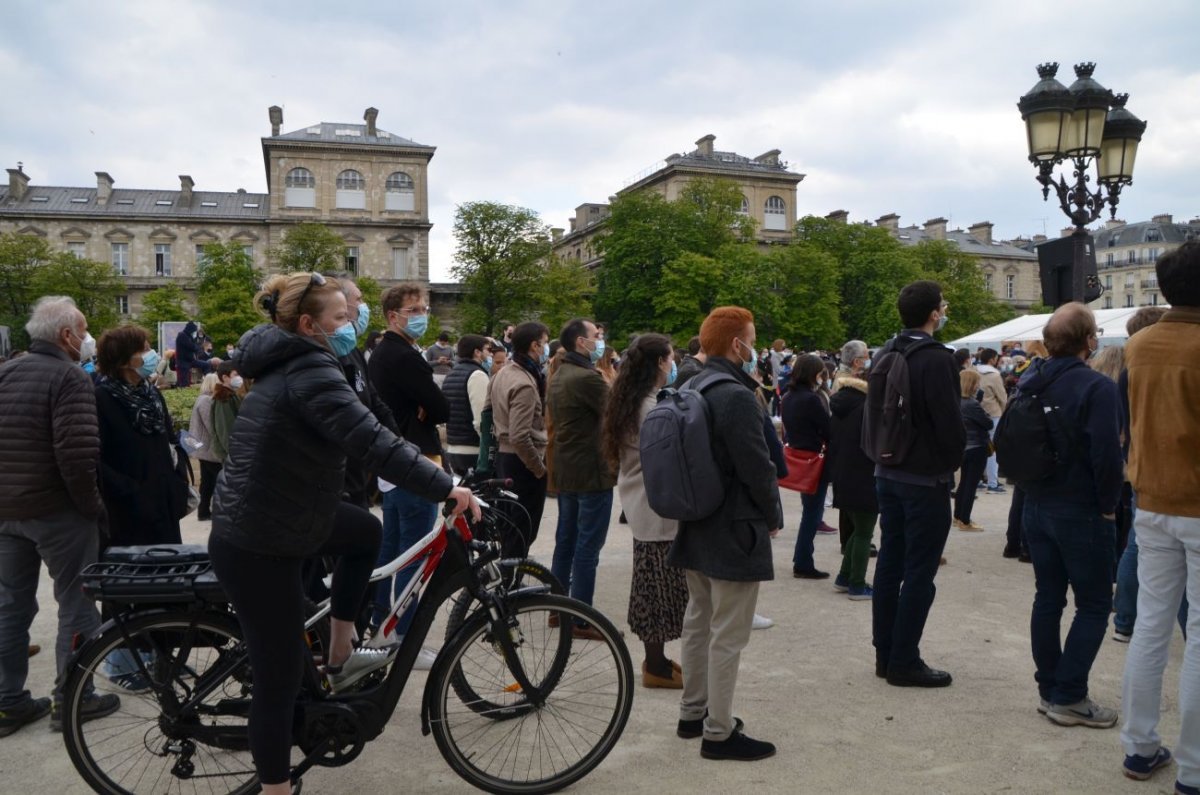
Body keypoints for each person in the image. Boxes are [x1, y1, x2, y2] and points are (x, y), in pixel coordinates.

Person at [207, 272, 478, 795]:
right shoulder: (309, 369)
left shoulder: (302, 359)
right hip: (260, 539)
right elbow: (369, 440)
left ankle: (338, 651)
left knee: (364, 534)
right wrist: (444, 486)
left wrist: (433, 475)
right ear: (309, 325)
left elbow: (374, 427)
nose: (353, 324)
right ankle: (276, 788)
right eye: (342, 317)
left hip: (287, 513)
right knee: (279, 677)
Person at [0, 296, 118, 738]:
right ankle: (73, 698)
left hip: (7, 512)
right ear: (67, 335)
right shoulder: (69, 377)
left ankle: (7, 703)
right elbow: (78, 454)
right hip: (56, 511)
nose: (87, 338)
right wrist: (93, 510)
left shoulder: (5, 371)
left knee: (10, 606)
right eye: (84, 329)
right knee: (76, 602)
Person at [669, 306, 781, 761]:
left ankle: (692, 713)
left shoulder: (688, 383)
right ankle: (719, 731)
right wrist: (772, 513)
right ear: (738, 345)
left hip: (695, 520)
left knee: (698, 622)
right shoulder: (734, 394)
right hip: (734, 525)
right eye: (752, 339)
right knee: (728, 633)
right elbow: (757, 465)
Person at [1018, 302, 1123, 728]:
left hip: (1036, 501)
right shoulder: (1096, 387)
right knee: (1096, 603)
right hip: (1079, 506)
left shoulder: (1030, 380)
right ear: (1089, 339)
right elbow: (1107, 455)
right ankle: (1069, 694)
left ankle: (1050, 688)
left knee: (1048, 596)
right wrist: (1108, 506)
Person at [1119, 240, 1200, 792]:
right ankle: (1193, 769)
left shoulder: (1140, 344)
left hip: (1150, 498)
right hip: (1195, 501)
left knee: (1151, 627)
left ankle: (1140, 746)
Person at [869, 280, 964, 688]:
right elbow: (949, 422)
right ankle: (905, 659)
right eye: (941, 306)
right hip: (924, 476)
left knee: (891, 563)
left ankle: (885, 653)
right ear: (933, 314)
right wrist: (953, 463)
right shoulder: (936, 358)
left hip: (886, 469)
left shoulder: (885, 351)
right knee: (920, 572)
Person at [600, 333, 688, 688]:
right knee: (658, 592)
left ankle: (658, 659)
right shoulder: (649, 408)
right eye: (669, 358)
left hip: (646, 506)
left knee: (653, 587)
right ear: (657, 363)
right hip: (657, 509)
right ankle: (655, 663)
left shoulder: (635, 400)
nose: (672, 364)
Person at [367, 284, 449, 658]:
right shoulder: (404, 356)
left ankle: (382, 624)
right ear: (392, 316)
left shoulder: (383, 353)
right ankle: (404, 635)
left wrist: (427, 406)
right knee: (415, 553)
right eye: (413, 309)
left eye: (424, 308)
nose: (421, 315)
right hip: (414, 460)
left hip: (394, 463)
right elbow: (441, 408)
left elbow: (430, 405)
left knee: (393, 551)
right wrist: (427, 407)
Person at [547, 318, 615, 639]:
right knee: (588, 547)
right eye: (595, 337)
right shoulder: (588, 378)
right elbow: (617, 411)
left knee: (566, 542)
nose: (599, 340)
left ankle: (557, 609)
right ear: (580, 343)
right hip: (591, 471)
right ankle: (580, 618)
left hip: (568, 468)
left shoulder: (561, 373)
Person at [95, 326, 184, 547]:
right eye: (144, 350)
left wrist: (177, 478)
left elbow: (169, 440)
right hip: (128, 511)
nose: (152, 354)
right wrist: (132, 491)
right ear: (125, 360)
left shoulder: (151, 394)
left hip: (164, 502)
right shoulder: (101, 398)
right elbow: (95, 460)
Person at [327, 273, 396, 510]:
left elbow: (374, 404)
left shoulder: (353, 352)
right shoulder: (322, 359)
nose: (363, 306)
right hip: (334, 486)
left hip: (357, 477)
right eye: (358, 299)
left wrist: (401, 444)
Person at [488, 321, 550, 557]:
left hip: (506, 459)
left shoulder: (503, 372)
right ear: (534, 345)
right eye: (544, 343)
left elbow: (488, 415)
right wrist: (539, 469)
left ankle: (508, 581)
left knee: (511, 528)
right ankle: (511, 586)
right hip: (522, 462)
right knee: (523, 529)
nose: (545, 349)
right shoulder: (524, 382)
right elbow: (520, 435)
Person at [828, 340, 877, 600]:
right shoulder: (865, 405)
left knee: (857, 530)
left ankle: (844, 577)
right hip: (863, 473)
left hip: (844, 472)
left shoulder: (842, 400)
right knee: (864, 532)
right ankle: (857, 583)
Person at [782, 354, 832, 580]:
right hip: (814, 458)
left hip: (799, 456)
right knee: (813, 513)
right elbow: (827, 429)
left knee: (809, 511)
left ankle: (802, 559)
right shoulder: (811, 399)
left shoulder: (788, 396)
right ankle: (803, 560)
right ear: (814, 374)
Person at [442, 334, 491, 476]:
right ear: (477, 352)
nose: (489, 353)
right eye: (487, 349)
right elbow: (482, 420)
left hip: (453, 447)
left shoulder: (451, 374)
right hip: (473, 450)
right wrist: (490, 451)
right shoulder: (477, 375)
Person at [953, 369, 992, 532]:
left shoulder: (955, 401)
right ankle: (965, 520)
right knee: (970, 485)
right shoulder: (972, 404)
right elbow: (988, 423)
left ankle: (958, 516)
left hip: (963, 446)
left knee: (963, 483)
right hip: (976, 446)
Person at [189, 373, 223, 521]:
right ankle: (212, 512)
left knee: (207, 482)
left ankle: (203, 512)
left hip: (203, 450)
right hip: (208, 450)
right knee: (217, 481)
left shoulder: (201, 399)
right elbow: (211, 425)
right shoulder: (206, 401)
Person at [976, 348, 1007, 494]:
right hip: (993, 413)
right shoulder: (994, 375)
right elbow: (1002, 397)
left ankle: (978, 480)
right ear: (992, 359)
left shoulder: (973, 371)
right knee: (992, 449)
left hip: (975, 413)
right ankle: (993, 483)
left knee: (978, 448)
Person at [174, 320, 215, 388]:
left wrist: (196, 346)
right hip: (183, 361)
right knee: (185, 383)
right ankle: (184, 388)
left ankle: (209, 382)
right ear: (190, 329)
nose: (195, 333)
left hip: (191, 360)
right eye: (194, 331)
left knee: (206, 365)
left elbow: (195, 347)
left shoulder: (189, 336)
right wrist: (197, 346)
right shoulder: (182, 335)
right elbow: (192, 347)